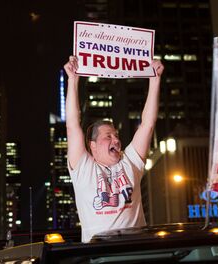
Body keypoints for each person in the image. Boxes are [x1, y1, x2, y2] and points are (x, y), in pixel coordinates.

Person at [64, 56, 164, 242]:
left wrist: (155, 79)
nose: (116, 140)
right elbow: (72, 125)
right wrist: (72, 79)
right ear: (92, 146)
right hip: (100, 255)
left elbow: (148, 125)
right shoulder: (84, 169)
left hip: (136, 251)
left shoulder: (130, 162)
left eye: (117, 136)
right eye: (108, 136)